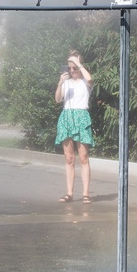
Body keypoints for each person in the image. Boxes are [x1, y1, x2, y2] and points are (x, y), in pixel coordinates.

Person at [54, 51, 94, 204]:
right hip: (66, 118)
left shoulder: (85, 82)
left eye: (75, 68)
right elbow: (58, 99)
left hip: (81, 117)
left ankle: (85, 194)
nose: (72, 71)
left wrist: (79, 64)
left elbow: (90, 78)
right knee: (69, 158)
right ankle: (69, 193)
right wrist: (59, 83)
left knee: (83, 158)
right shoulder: (66, 83)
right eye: (70, 68)